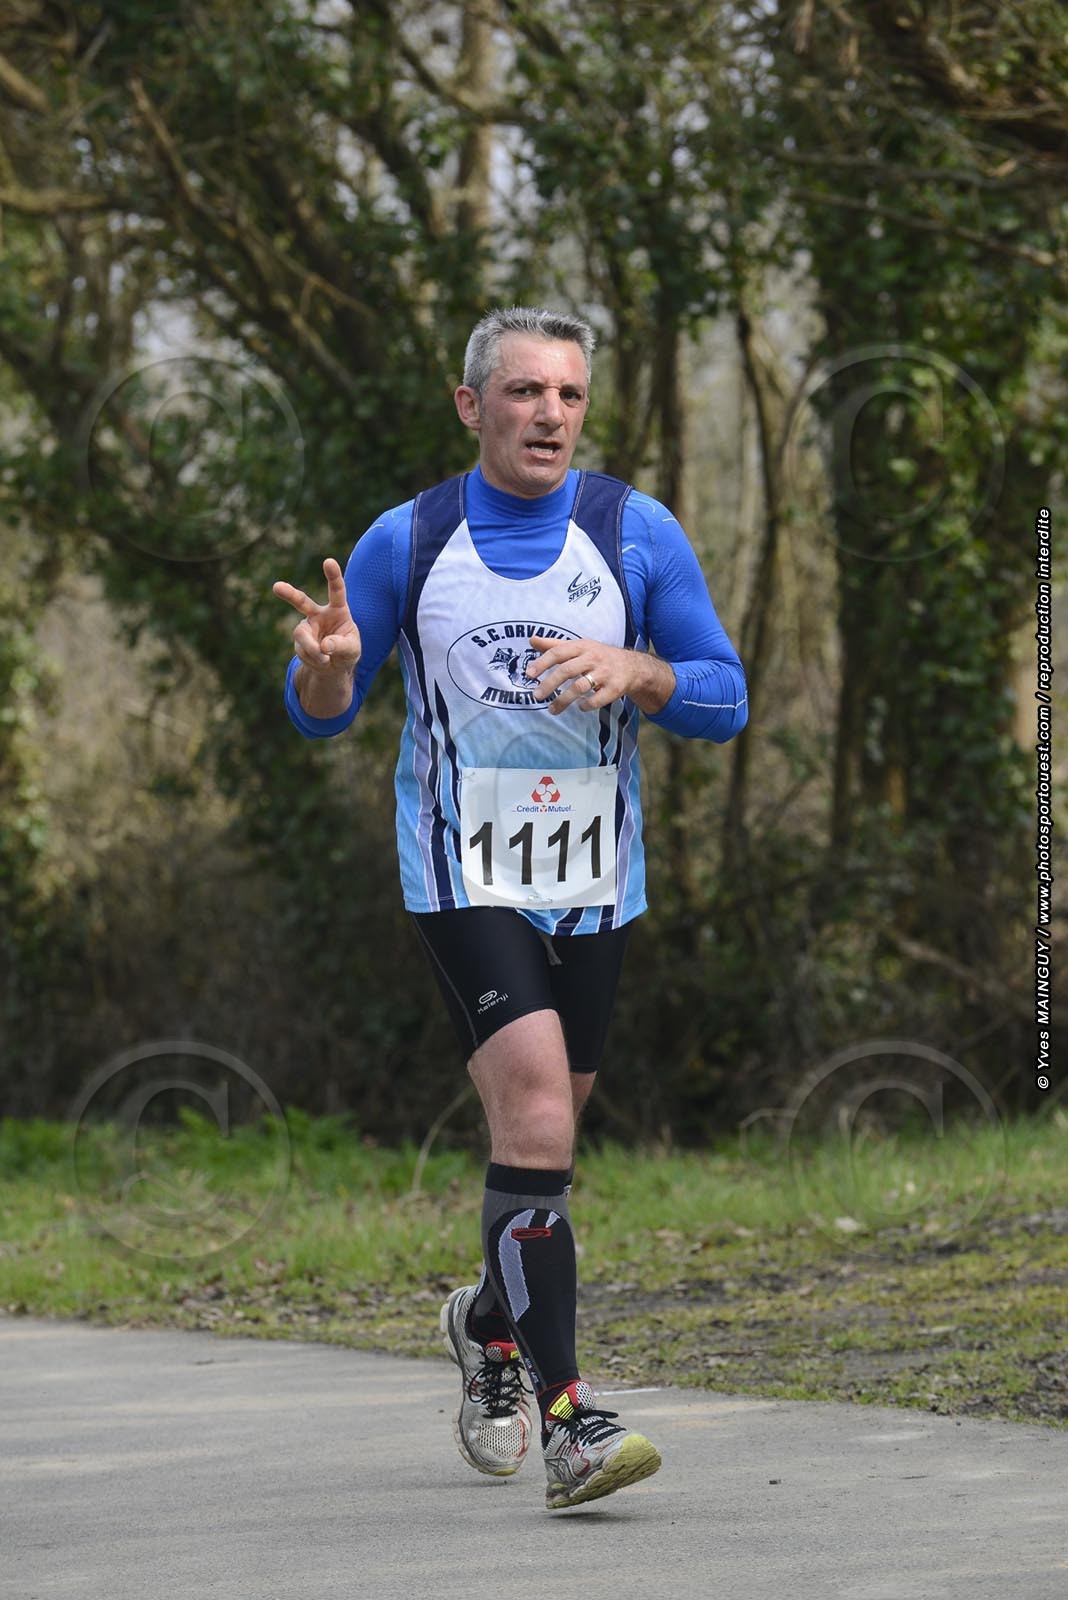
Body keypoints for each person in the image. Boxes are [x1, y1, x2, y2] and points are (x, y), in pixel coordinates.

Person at [272, 306, 748, 1511]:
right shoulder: (410, 539)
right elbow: (322, 707)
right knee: (535, 1116)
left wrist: (642, 671)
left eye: (570, 395)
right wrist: (325, 672)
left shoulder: (633, 533)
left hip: (594, 879)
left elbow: (725, 695)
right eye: (526, 392)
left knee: (547, 1147)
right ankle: (572, 1421)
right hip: (463, 870)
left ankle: (488, 1324)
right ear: (471, 405)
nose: (551, 414)